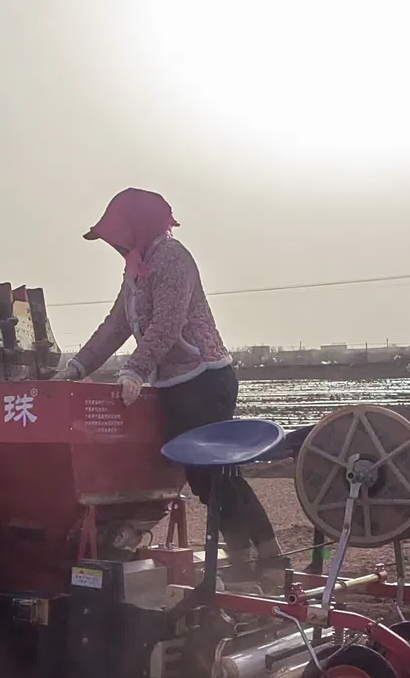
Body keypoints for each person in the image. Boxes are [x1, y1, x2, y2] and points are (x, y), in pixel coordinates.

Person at [57, 187, 284, 580]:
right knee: (210, 478)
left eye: (118, 235)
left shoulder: (172, 259)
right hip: (177, 387)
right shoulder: (136, 269)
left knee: (213, 475)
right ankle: (257, 559)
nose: (115, 245)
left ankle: (259, 561)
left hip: (204, 381)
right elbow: (117, 325)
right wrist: (75, 368)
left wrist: (135, 370)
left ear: (138, 225)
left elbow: (167, 323)